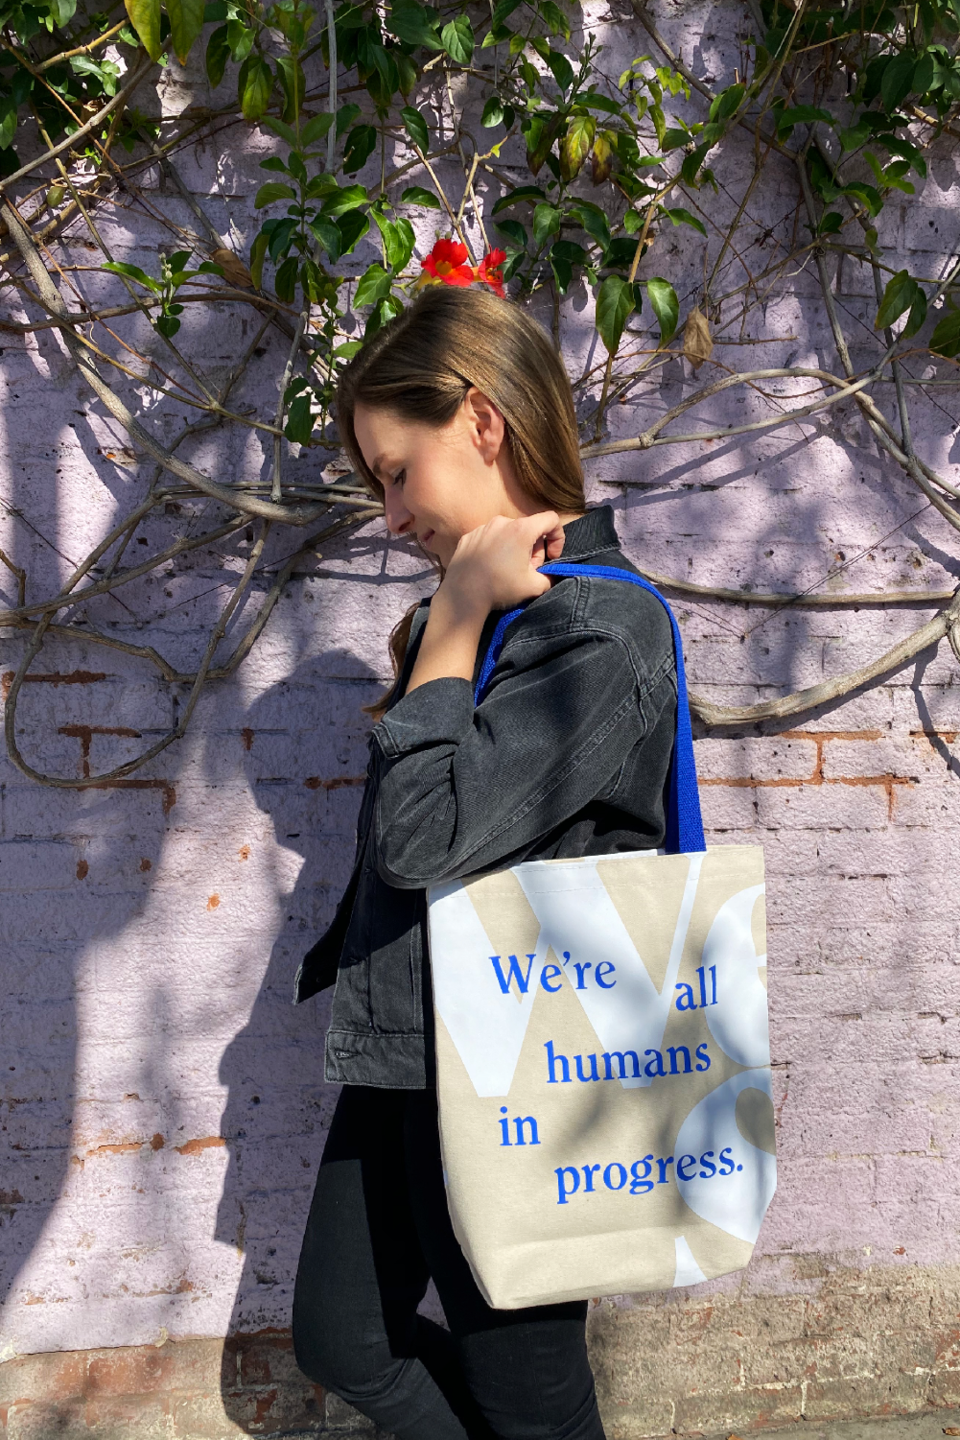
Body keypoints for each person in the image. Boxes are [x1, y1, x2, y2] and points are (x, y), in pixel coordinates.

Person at [290, 283, 678, 1440]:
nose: (390, 514)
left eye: (397, 472)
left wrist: (455, 615)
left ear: (482, 421)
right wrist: (456, 618)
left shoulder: (598, 629)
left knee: (534, 1410)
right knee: (343, 1338)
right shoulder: (486, 618)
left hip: (519, 1067)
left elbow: (418, 840)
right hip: (410, 1048)